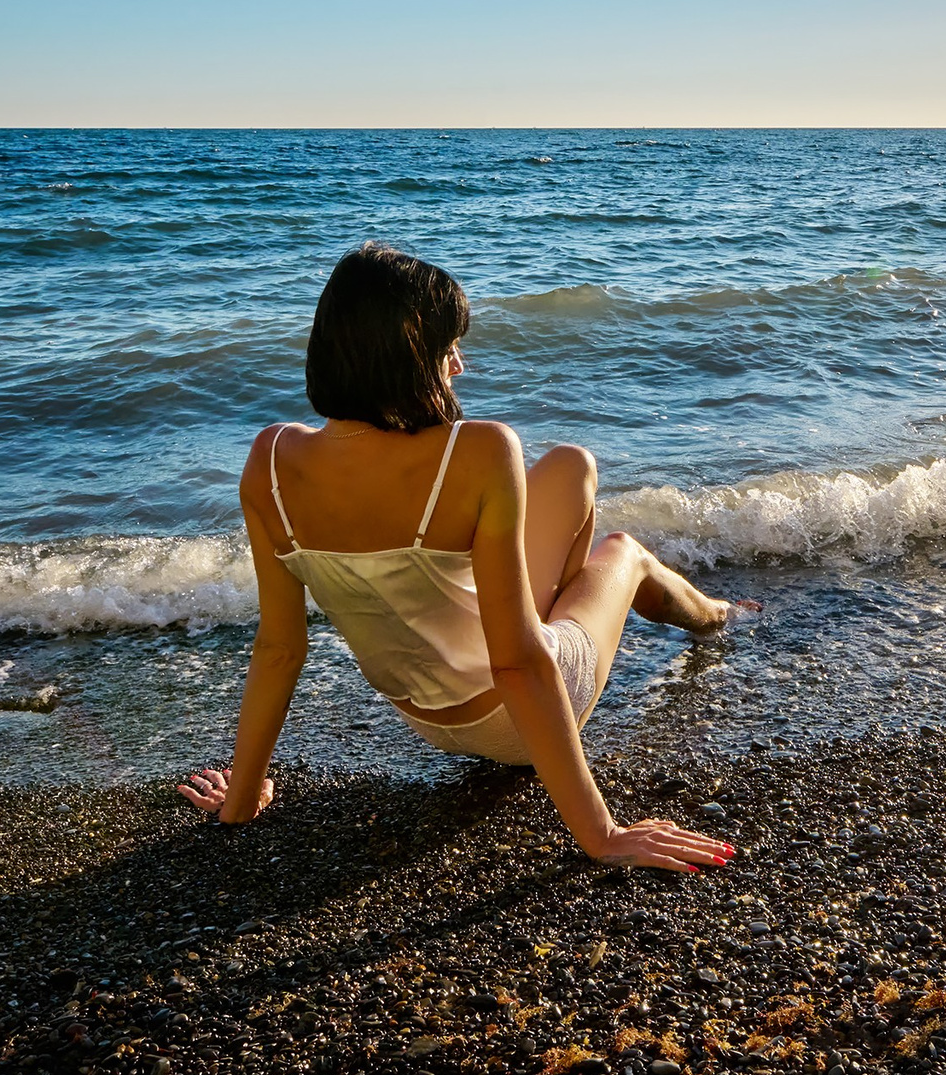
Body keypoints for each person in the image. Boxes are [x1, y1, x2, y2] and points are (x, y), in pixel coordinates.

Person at [176, 242, 748, 871]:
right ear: (409, 352)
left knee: (568, 466)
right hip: (512, 719)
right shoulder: (478, 449)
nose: (460, 364)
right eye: (448, 345)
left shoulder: (272, 460)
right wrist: (602, 835)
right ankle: (714, 615)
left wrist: (244, 798)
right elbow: (522, 667)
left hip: (425, 715)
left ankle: (561, 613)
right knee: (624, 552)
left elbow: (280, 648)